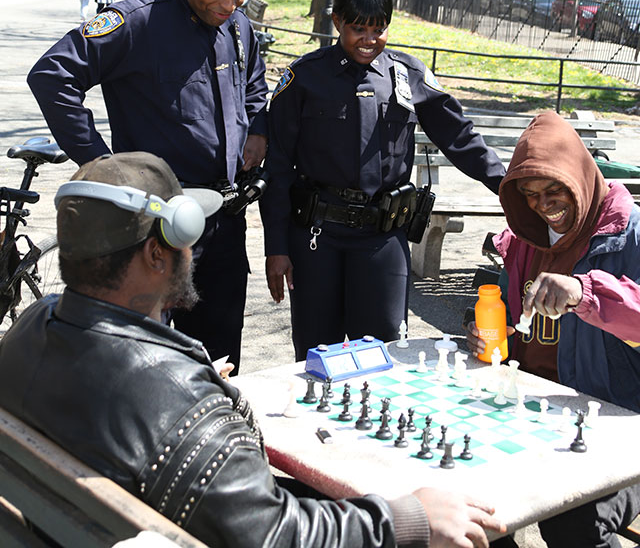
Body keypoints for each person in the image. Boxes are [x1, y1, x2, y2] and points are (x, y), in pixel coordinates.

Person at [0, 151, 505, 548]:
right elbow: (271, 536)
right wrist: (406, 518)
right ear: (158, 252)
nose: (192, 251)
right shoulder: (177, 401)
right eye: (187, 232)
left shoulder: (31, 327)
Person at [27, 0, 268, 372]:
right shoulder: (137, 21)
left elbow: (255, 87)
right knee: (153, 363)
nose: (228, 4)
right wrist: (102, 165)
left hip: (227, 224)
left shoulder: (238, 27)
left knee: (220, 362)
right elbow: (52, 76)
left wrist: (258, 129)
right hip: (159, 225)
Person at [261, 0, 505, 360]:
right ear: (337, 21)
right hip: (318, 237)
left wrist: (507, 185)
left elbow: (459, 138)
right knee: (316, 353)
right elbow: (276, 168)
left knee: (385, 351)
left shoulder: (407, 75)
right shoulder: (305, 78)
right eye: (358, 28)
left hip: (382, 237)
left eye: (379, 29)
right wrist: (275, 247)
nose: (369, 39)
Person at [465, 111, 640, 548]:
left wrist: (587, 294)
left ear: (580, 178)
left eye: (553, 190)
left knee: (572, 520)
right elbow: (510, 321)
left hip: (620, 427)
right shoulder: (525, 238)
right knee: (468, 506)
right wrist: (491, 334)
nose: (543, 205)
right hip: (533, 418)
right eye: (530, 195)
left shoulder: (631, 234)